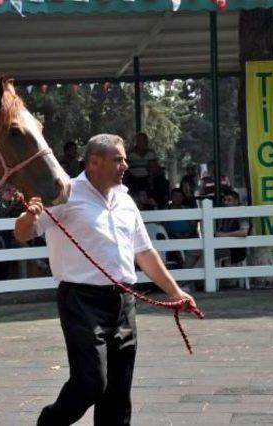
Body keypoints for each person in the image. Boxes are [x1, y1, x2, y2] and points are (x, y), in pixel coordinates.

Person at [13, 134, 197, 426]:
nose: (125, 164)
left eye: (124, 158)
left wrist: (174, 292)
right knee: (90, 383)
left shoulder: (125, 200)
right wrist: (25, 219)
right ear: (94, 162)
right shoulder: (65, 193)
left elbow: (145, 253)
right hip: (81, 301)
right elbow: (24, 233)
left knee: (118, 395)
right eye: (118, 159)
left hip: (124, 303)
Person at [215, 189, 249, 264]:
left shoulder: (241, 212)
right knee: (201, 251)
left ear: (236, 201)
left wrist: (224, 235)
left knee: (205, 252)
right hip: (224, 246)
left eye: (229, 200)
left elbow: (244, 232)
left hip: (235, 249)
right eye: (225, 200)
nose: (226, 202)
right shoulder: (225, 214)